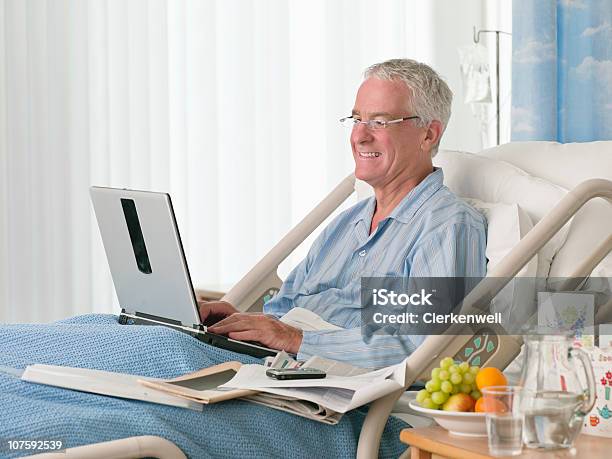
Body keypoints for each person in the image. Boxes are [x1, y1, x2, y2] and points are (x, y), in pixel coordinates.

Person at [199, 58, 487, 368]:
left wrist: (296, 339)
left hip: (333, 394)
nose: (359, 136)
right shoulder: (346, 224)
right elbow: (283, 309)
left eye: (380, 122)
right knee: (153, 335)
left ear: (428, 135)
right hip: (271, 367)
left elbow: (423, 348)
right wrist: (239, 322)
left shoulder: (447, 227)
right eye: (356, 119)